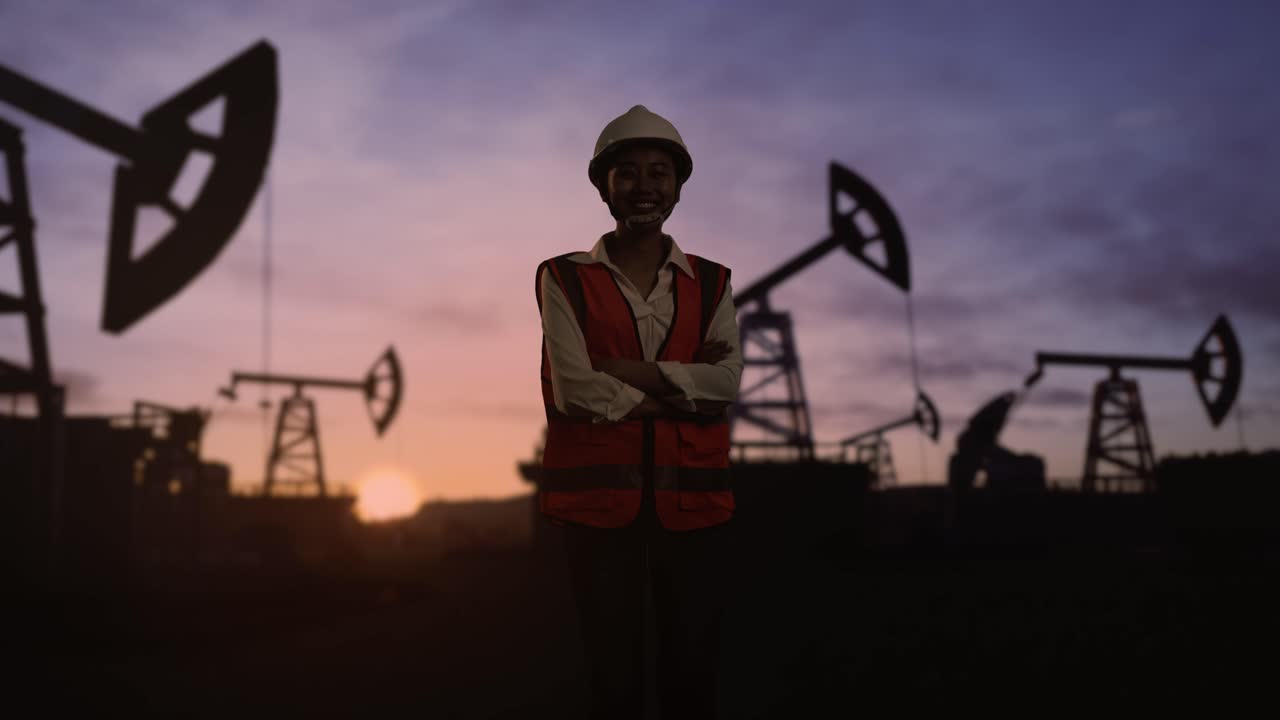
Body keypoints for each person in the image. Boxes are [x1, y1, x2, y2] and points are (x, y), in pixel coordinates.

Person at [536, 105, 743, 719]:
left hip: (694, 504)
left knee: (691, 670)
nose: (644, 186)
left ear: (679, 186)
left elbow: (726, 382)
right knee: (614, 673)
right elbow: (573, 388)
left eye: (659, 172)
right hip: (598, 509)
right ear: (604, 187)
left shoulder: (712, 282)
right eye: (626, 173)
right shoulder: (563, 278)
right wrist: (681, 396)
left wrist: (630, 376)